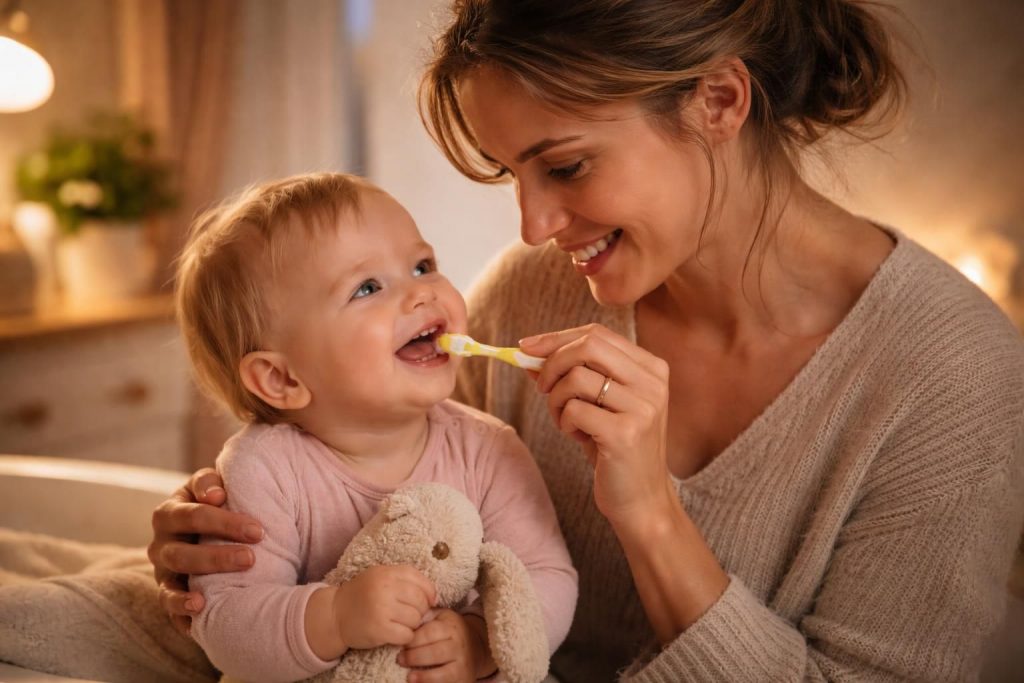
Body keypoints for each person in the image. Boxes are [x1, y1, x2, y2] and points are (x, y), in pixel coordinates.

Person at [151, 1, 1024, 680]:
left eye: (565, 166)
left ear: (719, 99)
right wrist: (219, 551)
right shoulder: (523, 296)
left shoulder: (953, 376)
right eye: (512, 175)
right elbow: (370, 488)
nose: (532, 225)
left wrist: (648, 511)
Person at [171, 172, 576, 683]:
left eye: (421, 265)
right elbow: (227, 626)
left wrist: (481, 642)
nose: (421, 294)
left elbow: (546, 576)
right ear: (281, 378)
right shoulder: (264, 468)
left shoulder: (488, 449)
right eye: (367, 287)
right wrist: (335, 618)